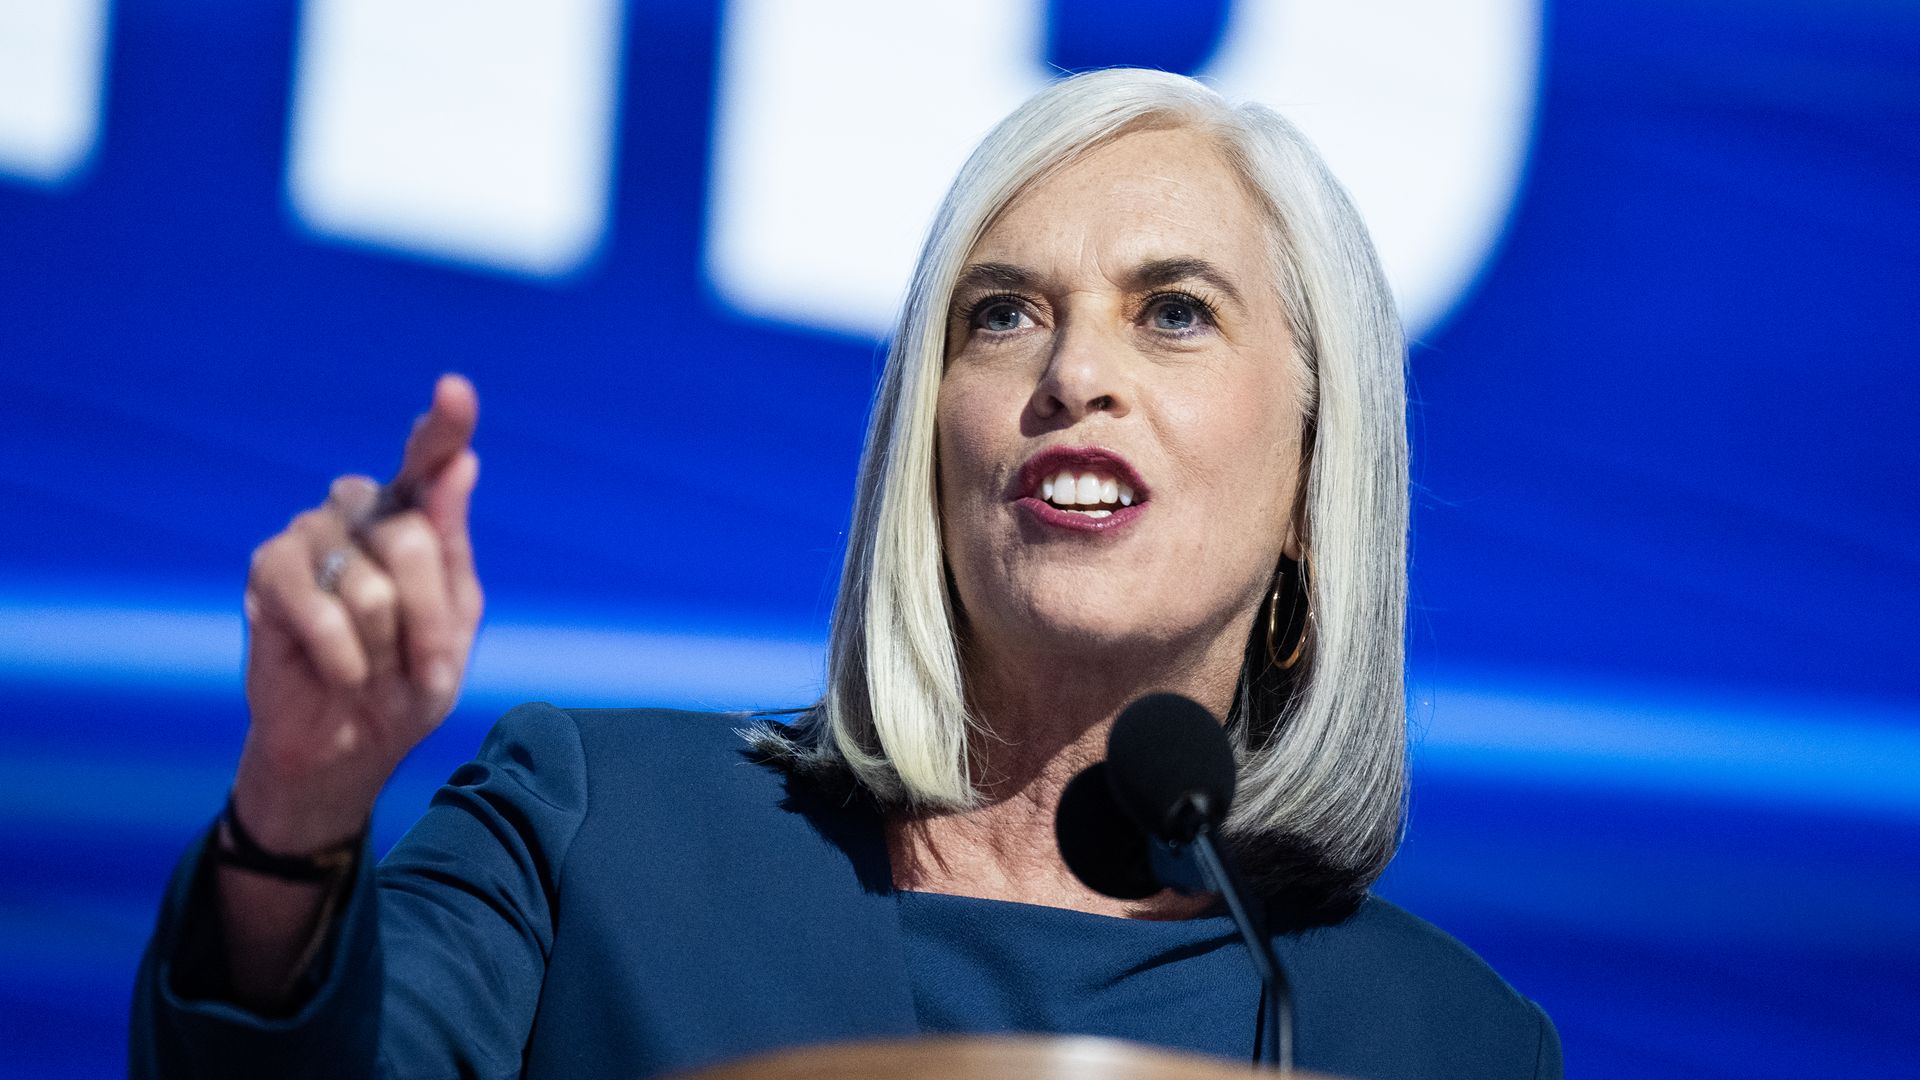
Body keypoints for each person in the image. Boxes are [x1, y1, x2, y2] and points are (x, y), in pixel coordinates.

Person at [132, 68, 1562, 1079]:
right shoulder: (601, 840)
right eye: (1003, 315)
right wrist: (301, 812)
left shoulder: (1445, 1042)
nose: (1072, 375)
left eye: (1173, 313)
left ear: (1317, 483)